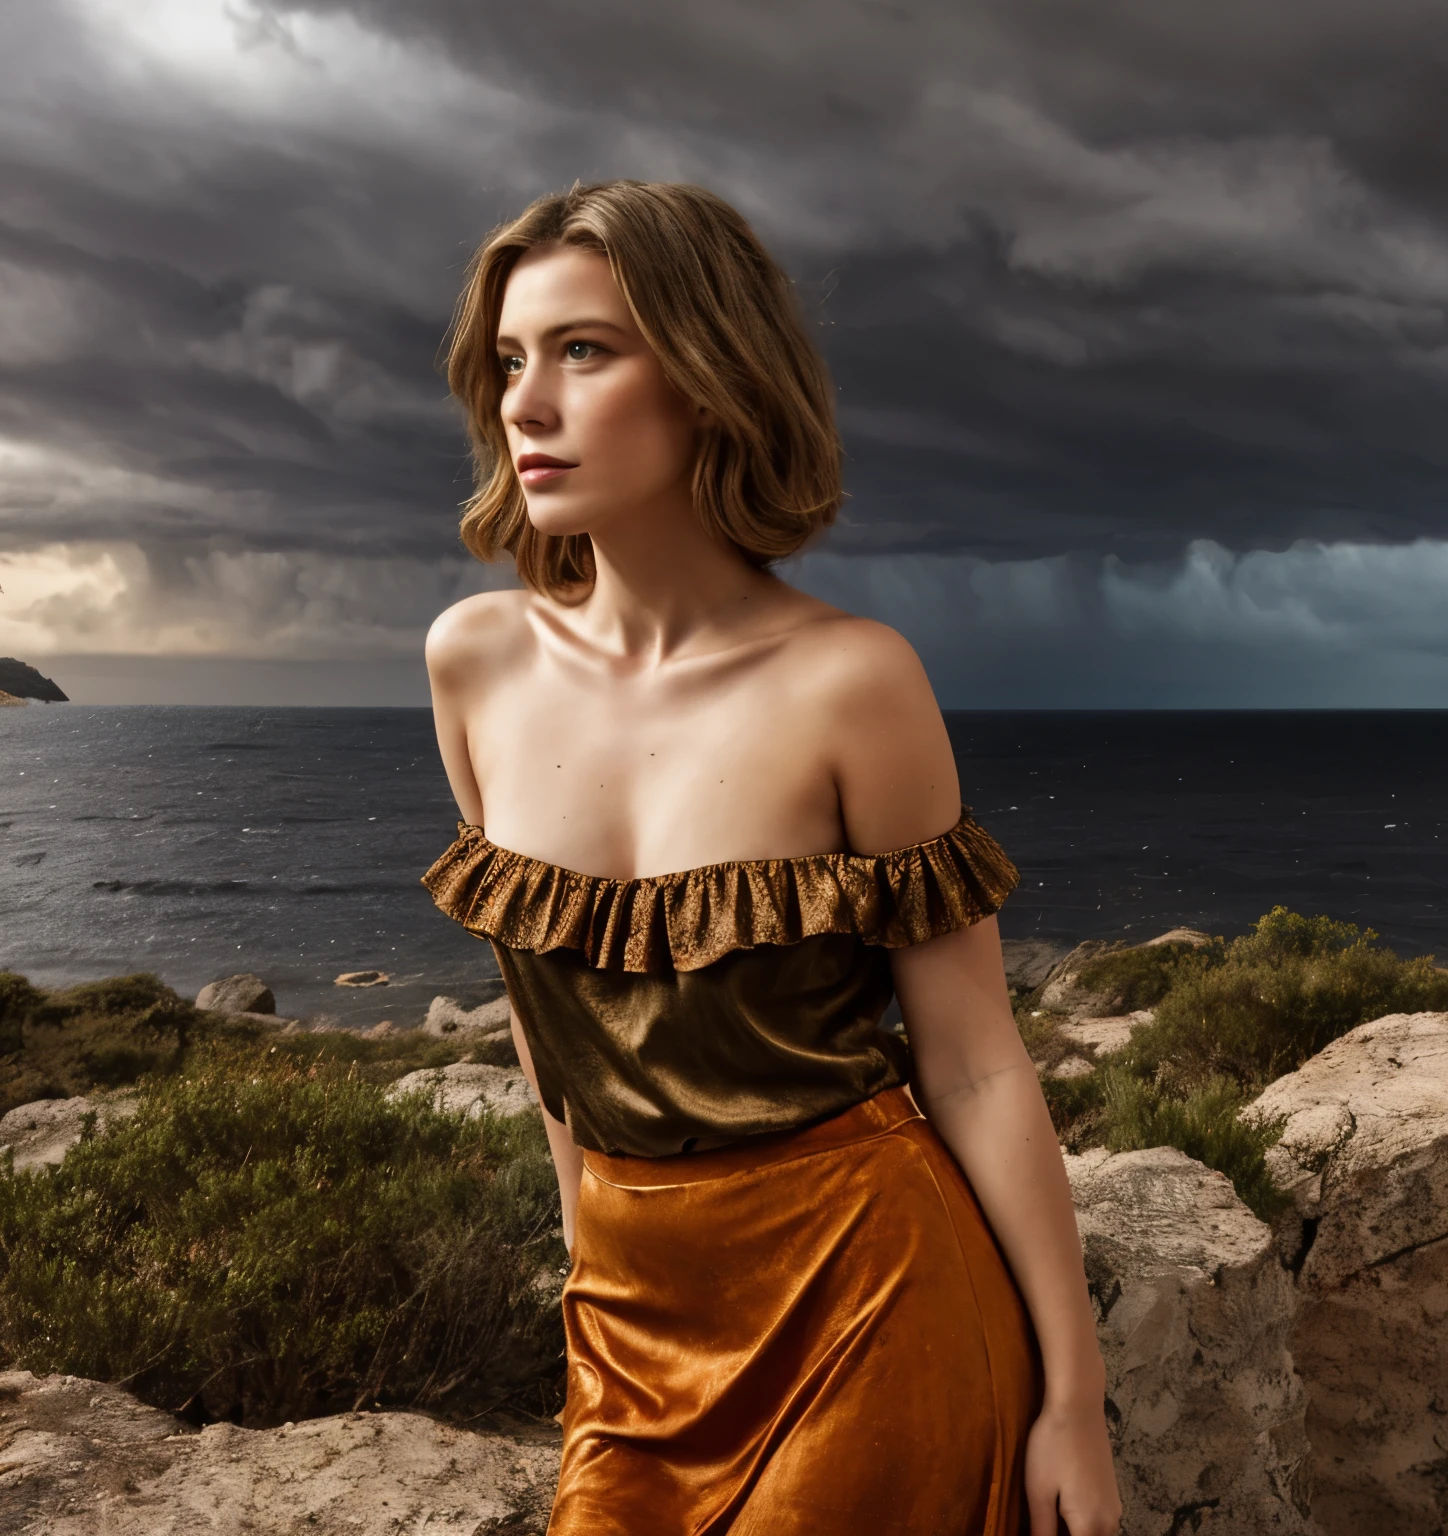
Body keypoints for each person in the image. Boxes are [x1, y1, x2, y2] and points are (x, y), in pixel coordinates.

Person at [420, 179, 1121, 1536]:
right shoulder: (474, 665)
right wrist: (587, 1271)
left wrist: (1070, 1398)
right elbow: (545, 1019)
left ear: (708, 376)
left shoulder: (855, 683)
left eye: (584, 350)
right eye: (511, 359)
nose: (526, 402)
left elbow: (974, 1058)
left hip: (869, 1300)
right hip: (628, 1325)